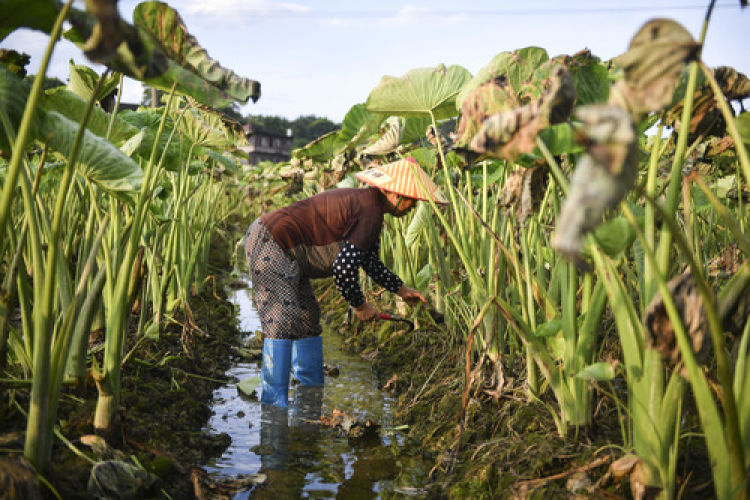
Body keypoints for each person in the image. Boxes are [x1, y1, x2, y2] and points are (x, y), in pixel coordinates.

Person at [244, 157, 448, 407]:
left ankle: (309, 399)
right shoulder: (370, 212)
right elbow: (343, 268)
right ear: (395, 194)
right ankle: (274, 410)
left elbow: (369, 262)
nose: (412, 209)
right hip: (271, 242)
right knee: (283, 319)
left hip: (288, 252)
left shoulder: (370, 208)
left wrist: (402, 290)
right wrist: (360, 306)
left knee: (308, 317)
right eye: (412, 202)